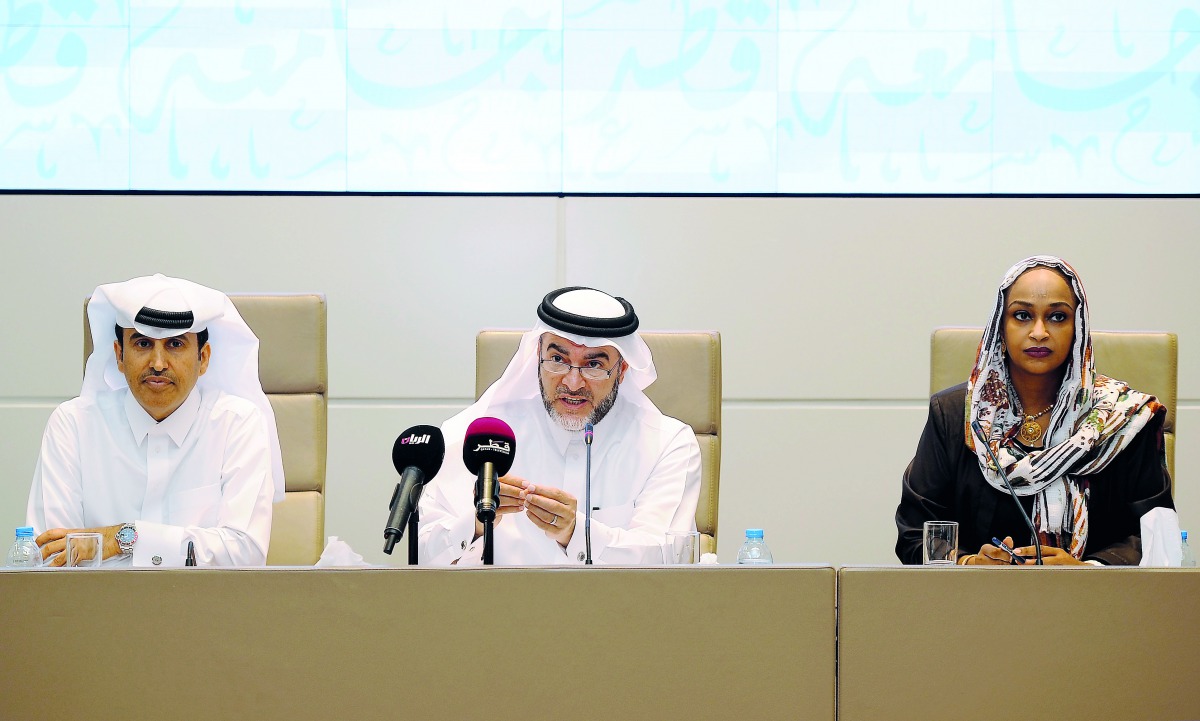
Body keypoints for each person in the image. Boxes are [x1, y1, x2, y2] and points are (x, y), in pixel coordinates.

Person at [895, 256, 1174, 566]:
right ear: (1000, 326)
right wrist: (969, 564)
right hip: (976, 606)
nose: (1039, 332)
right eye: (1023, 315)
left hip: (1095, 607)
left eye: (1057, 317)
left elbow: (1156, 537)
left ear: (1078, 328)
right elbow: (915, 534)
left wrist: (1087, 571)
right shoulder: (956, 416)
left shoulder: (1123, 419)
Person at [418, 286, 702, 565]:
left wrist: (577, 534)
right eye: (557, 360)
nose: (572, 383)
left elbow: (669, 560)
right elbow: (420, 555)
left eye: (593, 365)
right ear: (537, 358)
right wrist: (477, 522)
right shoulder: (473, 436)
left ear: (622, 370)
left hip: (616, 610)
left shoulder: (668, 444)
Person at [26, 274, 284, 567]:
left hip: (205, 610)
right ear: (119, 356)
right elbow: (49, 558)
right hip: (99, 609)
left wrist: (124, 538)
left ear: (204, 358)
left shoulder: (237, 424)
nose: (158, 363)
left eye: (175, 344)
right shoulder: (73, 425)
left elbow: (245, 552)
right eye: (143, 343)